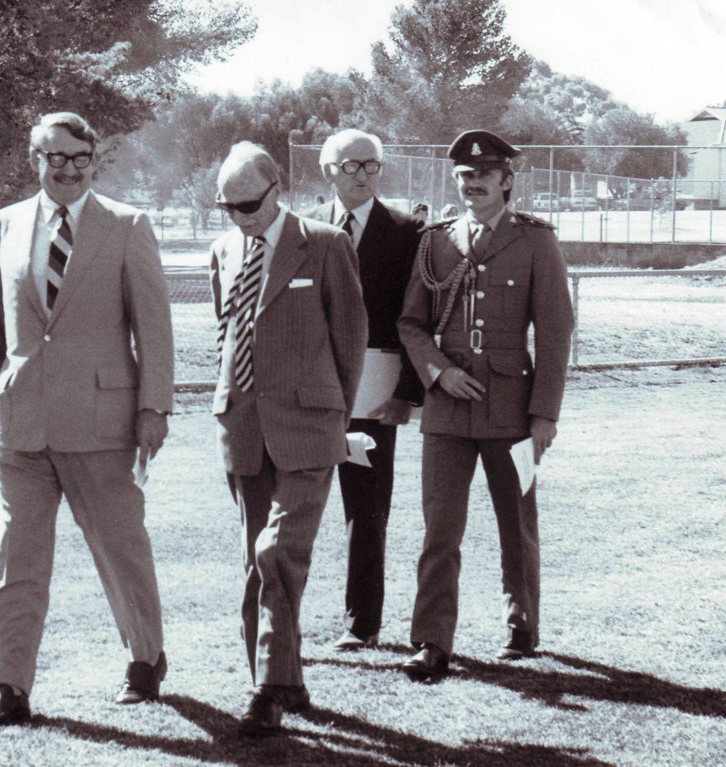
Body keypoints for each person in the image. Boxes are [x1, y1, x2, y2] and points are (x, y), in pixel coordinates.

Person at [0, 112, 174, 730]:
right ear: (35, 159)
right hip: (20, 424)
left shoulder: (128, 225)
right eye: (56, 157)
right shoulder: (2, 226)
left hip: (103, 424)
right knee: (16, 559)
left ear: (93, 162)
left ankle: (145, 661)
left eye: (81, 159)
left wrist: (153, 407)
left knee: (121, 549)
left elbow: (154, 327)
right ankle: (9, 687)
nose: (69, 170)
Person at [397, 129, 573, 684]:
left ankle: (521, 626)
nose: (472, 184)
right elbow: (411, 323)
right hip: (447, 409)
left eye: (484, 175)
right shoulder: (436, 241)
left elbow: (555, 331)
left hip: (511, 408)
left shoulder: (535, 241)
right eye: (464, 176)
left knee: (515, 523)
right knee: (439, 529)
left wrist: (544, 415)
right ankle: (432, 641)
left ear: (506, 181)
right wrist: (438, 371)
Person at [210, 141, 367, 735]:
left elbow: (350, 339)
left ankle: (268, 689)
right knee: (259, 562)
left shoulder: (325, 244)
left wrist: (334, 418)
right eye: (227, 207)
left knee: (276, 552)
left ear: (277, 190)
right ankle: (286, 681)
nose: (239, 218)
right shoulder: (223, 250)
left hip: (309, 428)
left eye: (248, 205)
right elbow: (226, 335)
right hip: (244, 430)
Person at [307, 129, 423, 651]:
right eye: (350, 165)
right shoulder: (303, 227)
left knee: (367, 508)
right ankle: (281, 621)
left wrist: (408, 393)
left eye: (370, 165)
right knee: (299, 504)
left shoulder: (407, 232)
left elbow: (419, 319)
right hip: (311, 390)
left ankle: (362, 623)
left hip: (375, 393)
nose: (361, 174)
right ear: (327, 171)